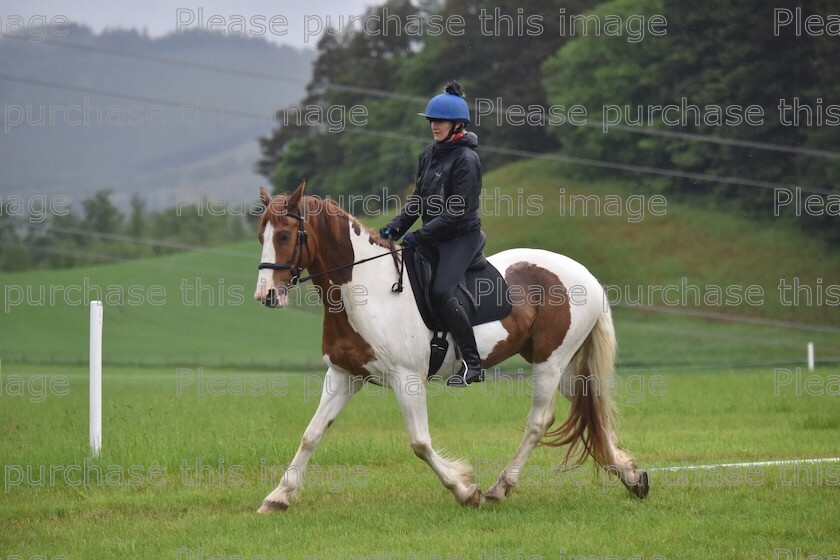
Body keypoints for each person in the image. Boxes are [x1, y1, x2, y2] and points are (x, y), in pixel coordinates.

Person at [379, 81, 484, 387]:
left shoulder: (467, 160)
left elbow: (456, 212)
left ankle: (472, 364)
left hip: (460, 238)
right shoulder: (429, 155)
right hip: (434, 235)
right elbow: (419, 200)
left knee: (441, 291)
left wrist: (420, 235)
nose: (434, 126)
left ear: (457, 125)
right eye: (431, 121)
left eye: (440, 121)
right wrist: (396, 226)